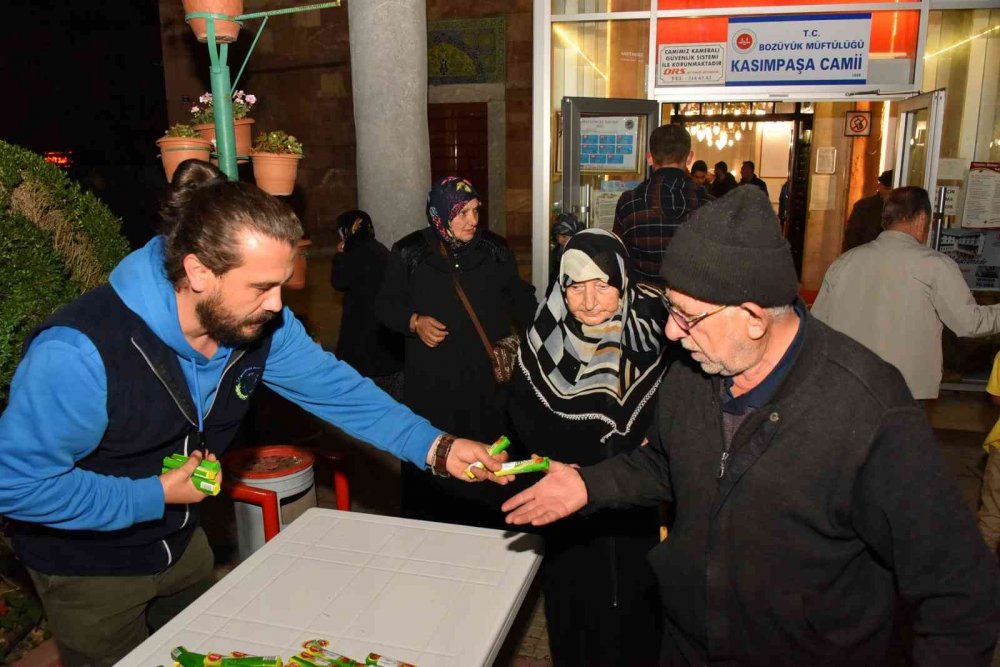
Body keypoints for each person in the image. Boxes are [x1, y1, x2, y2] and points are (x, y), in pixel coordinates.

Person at [0, 161, 508, 667]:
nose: (277, 305)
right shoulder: (78, 354)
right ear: (199, 270)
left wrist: (436, 446)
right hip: (90, 568)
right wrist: (152, 495)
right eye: (262, 287)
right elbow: (17, 486)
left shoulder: (257, 323)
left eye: (282, 284)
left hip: (183, 543)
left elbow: (339, 392)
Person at [503, 186, 1000, 666]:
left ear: (753, 318)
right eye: (671, 309)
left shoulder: (868, 411)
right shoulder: (693, 373)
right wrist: (587, 485)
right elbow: (663, 461)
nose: (671, 330)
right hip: (686, 646)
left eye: (688, 316)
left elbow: (957, 591)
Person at [509, 228, 670, 666]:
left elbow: (675, 420)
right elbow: (524, 415)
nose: (589, 299)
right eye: (576, 285)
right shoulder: (543, 339)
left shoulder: (653, 337)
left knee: (634, 616)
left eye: (603, 284)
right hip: (567, 513)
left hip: (632, 508)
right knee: (573, 609)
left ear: (623, 281)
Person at [376, 176, 537, 528]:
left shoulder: (494, 250)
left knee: (489, 469)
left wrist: (545, 336)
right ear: (439, 215)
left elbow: (521, 300)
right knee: (433, 467)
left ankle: (492, 538)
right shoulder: (410, 253)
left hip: (486, 388)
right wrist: (414, 321)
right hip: (433, 387)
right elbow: (385, 306)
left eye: (476, 210)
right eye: (461, 213)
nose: (472, 220)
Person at [812, 186, 1000, 400]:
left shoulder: (844, 262)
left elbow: (817, 328)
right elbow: (970, 323)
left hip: (849, 384)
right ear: (921, 219)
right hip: (904, 390)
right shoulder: (935, 266)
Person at [612, 124, 699, 288]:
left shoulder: (628, 202)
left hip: (642, 306)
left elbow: (618, 256)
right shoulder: (710, 204)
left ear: (649, 157)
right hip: (692, 307)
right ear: (689, 157)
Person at [330, 209, 403, 399]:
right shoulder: (381, 250)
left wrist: (339, 255)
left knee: (363, 404)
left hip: (362, 350)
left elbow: (338, 280)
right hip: (389, 348)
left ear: (347, 231)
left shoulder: (354, 255)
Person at [842, 169, 893, 252]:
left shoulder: (901, 208)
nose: (889, 192)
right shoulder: (864, 206)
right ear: (880, 186)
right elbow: (852, 236)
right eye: (887, 188)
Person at [548, 211, 584, 288]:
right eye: (558, 236)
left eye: (564, 236)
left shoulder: (583, 254)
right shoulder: (558, 252)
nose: (560, 241)